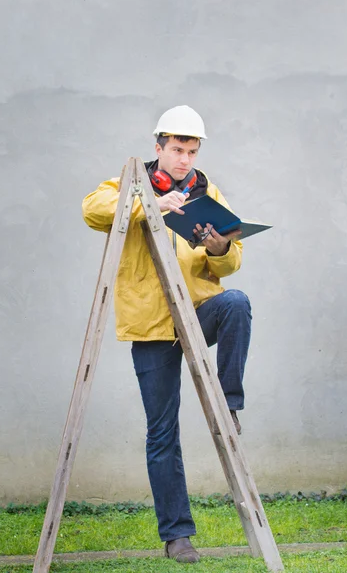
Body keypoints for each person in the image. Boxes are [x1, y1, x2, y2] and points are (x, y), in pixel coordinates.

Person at [82, 105, 252, 564]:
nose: (184, 159)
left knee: (236, 302)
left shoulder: (205, 190)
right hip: (153, 324)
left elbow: (232, 258)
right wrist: (148, 205)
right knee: (162, 432)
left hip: (197, 310)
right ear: (158, 148)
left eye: (191, 151)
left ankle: (228, 405)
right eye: (177, 149)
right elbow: (92, 210)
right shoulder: (130, 183)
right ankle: (177, 535)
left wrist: (221, 249)